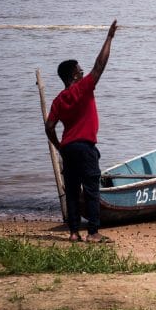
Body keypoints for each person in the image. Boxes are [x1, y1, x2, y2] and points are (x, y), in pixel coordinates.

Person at [45, 20, 117, 243]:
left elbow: (49, 127)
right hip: (85, 147)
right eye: (80, 70)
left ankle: (74, 232)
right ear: (73, 76)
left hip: (68, 148)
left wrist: (59, 146)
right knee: (91, 189)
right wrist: (109, 38)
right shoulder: (83, 88)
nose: (83, 71)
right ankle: (93, 233)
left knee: (73, 192)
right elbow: (100, 65)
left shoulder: (59, 99)